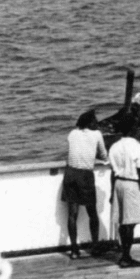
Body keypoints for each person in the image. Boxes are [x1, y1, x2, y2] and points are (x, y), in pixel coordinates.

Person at [107, 120, 140, 268]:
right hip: (131, 185)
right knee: (130, 222)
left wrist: (111, 192)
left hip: (118, 183)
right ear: (133, 130)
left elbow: (112, 172)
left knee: (123, 221)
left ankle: (125, 253)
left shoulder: (114, 146)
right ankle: (126, 257)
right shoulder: (137, 147)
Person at [62, 109, 108, 259]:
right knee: (92, 212)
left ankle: (74, 250)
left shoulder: (72, 134)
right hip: (85, 175)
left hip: (70, 173)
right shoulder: (97, 135)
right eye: (95, 121)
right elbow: (103, 155)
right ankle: (95, 246)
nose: (97, 124)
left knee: (72, 213)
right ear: (90, 123)